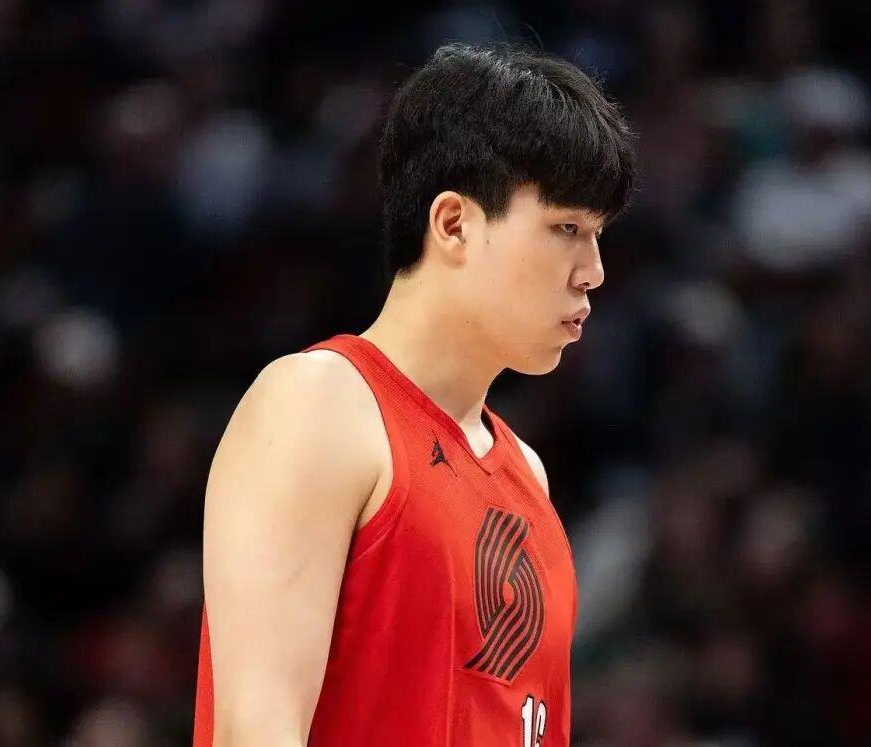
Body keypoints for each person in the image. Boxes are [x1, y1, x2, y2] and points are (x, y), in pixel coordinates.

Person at [191, 40, 637, 746]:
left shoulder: (528, 474)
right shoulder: (317, 405)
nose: (594, 271)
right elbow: (256, 729)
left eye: (598, 235)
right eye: (566, 229)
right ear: (454, 223)